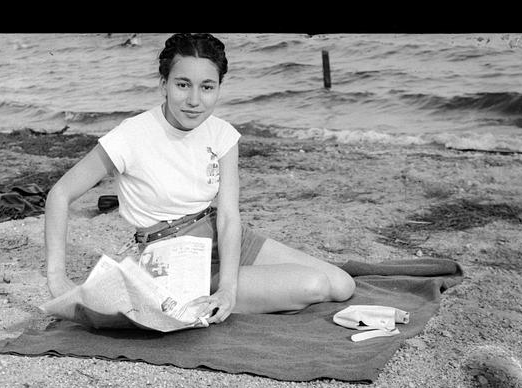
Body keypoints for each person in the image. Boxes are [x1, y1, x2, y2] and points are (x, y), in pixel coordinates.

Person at [44, 33, 356, 325]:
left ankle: (230, 285)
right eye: (183, 85)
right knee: (314, 285)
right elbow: (60, 194)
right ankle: (208, 290)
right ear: (163, 83)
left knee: (342, 285)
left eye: (207, 87)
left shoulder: (222, 134)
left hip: (220, 234)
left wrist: (229, 289)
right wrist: (57, 277)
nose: (194, 100)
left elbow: (230, 217)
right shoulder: (131, 135)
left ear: (219, 87)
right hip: (172, 256)